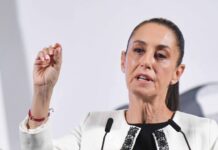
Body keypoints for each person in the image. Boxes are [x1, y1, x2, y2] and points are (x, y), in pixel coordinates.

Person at [19, 18, 218, 150]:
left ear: (177, 73)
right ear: (124, 60)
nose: (146, 62)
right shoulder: (93, 127)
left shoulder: (206, 133)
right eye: (139, 50)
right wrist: (42, 92)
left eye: (160, 55)